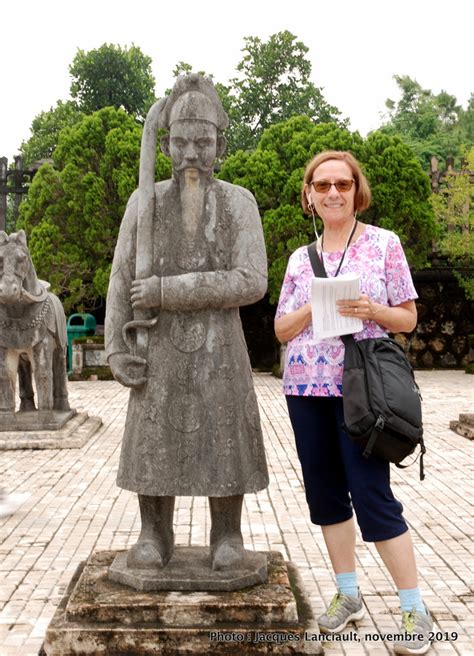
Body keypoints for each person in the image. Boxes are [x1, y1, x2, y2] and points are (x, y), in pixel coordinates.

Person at [105, 75, 268, 573]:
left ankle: (228, 535)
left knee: (224, 440)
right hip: (156, 347)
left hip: (221, 349)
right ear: (168, 142)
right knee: (154, 441)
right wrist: (115, 348)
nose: (191, 152)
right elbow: (120, 276)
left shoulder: (239, 203)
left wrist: (167, 291)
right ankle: (154, 532)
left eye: (202, 141)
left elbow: (251, 280)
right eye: (180, 141)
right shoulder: (144, 202)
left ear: (220, 142)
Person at [274, 150, 433, 654]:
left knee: (371, 495)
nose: (333, 193)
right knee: (324, 494)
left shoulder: (385, 245)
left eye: (342, 184)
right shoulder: (301, 259)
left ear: (356, 190)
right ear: (309, 195)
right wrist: (309, 306)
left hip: (362, 392)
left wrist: (372, 309)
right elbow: (280, 328)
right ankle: (348, 595)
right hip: (305, 389)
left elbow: (407, 319)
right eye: (322, 186)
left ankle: (413, 607)